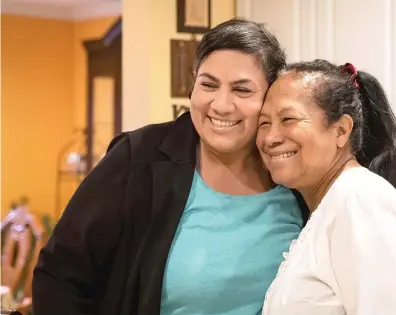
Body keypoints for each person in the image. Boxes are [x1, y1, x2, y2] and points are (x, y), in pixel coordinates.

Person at [32, 18, 308, 315]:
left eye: (242, 90)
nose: (221, 104)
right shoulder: (137, 157)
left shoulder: (292, 168)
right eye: (208, 85)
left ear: (270, 99)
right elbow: (60, 275)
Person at [256, 60, 396, 315]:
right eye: (264, 123)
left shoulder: (361, 201)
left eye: (288, 119)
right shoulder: (330, 206)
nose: (270, 138)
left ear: (340, 130)